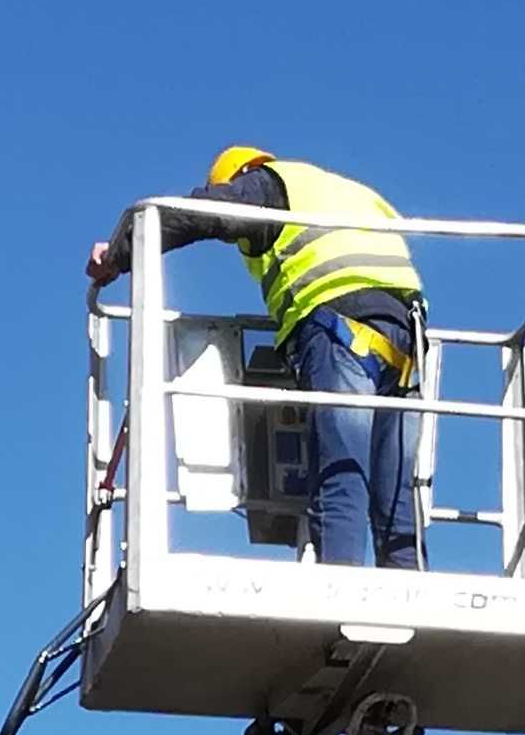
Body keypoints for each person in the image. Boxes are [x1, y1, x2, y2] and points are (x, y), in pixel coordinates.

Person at [87, 149, 427, 571]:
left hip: (341, 328)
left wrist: (118, 253)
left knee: (341, 473)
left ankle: (341, 598)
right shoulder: (344, 190)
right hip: (406, 339)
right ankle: (405, 592)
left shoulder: (268, 185)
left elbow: (195, 214)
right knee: (395, 494)